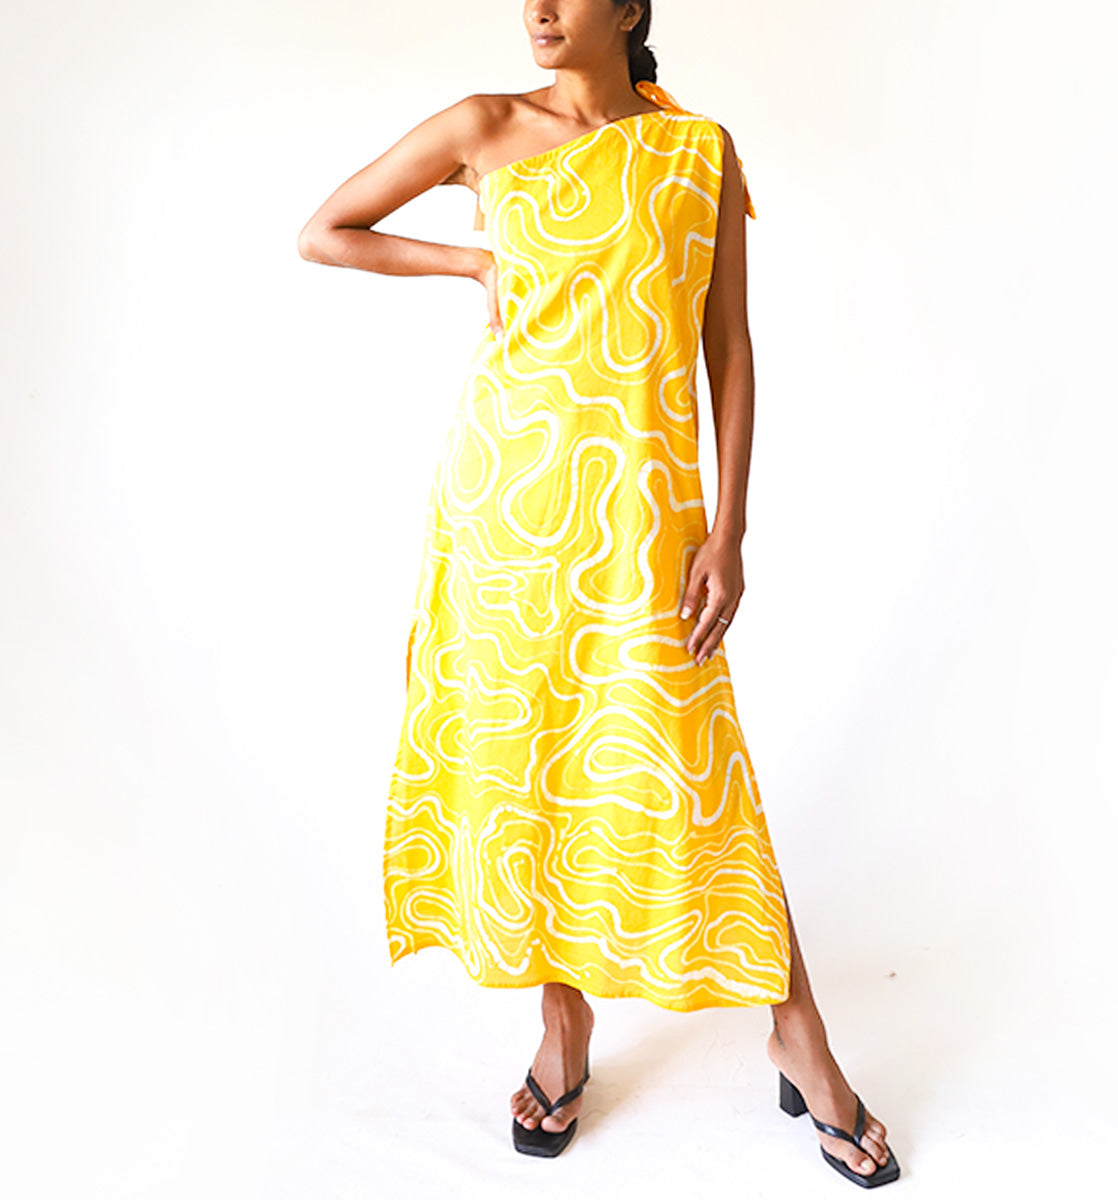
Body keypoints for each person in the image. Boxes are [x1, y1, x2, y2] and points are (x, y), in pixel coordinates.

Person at [298, 0, 899, 1185]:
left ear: (628, 7)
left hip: (643, 519)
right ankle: (563, 1027)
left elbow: (729, 346)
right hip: (503, 514)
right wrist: (473, 258)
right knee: (537, 764)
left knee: (695, 764)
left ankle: (798, 1031)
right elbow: (326, 232)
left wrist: (729, 528)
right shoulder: (482, 126)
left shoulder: (696, 150)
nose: (538, 8)